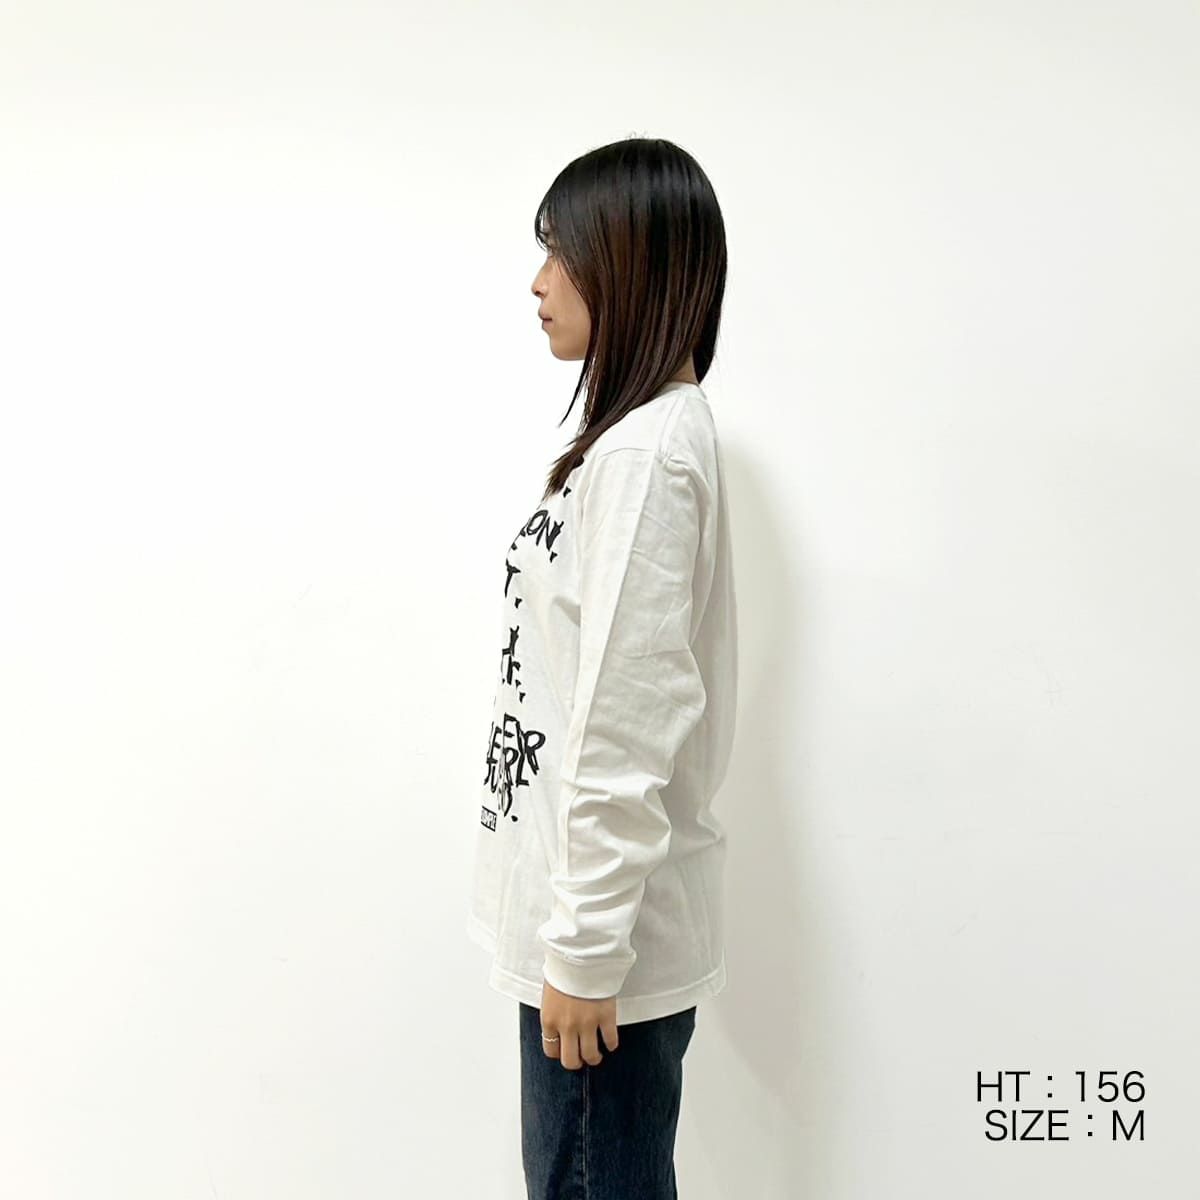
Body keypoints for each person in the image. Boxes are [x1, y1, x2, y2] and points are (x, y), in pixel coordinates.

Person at [467, 136, 738, 1199]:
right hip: (589, 930)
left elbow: (628, 711)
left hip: (601, 951)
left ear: (628, 260)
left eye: (561, 253)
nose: (538, 283)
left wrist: (583, 950)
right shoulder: (638, 440)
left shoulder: (644, 455)